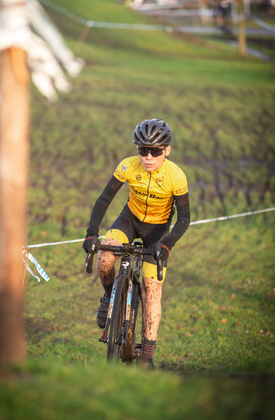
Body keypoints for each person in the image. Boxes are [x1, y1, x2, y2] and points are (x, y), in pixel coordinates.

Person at [83, 119, 190, 368]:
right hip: (129, 219)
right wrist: (91, 233)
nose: (149, 157)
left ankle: (148, 357)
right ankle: (110, 296)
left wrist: (167, 245)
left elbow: (184, 218)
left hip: (159, 230)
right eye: (143, 150)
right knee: (106, 259)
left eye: (155, 151)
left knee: (152, 289)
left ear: (167, 151)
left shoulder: (176, 176)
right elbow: (104, 199)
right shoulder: (128, 166)